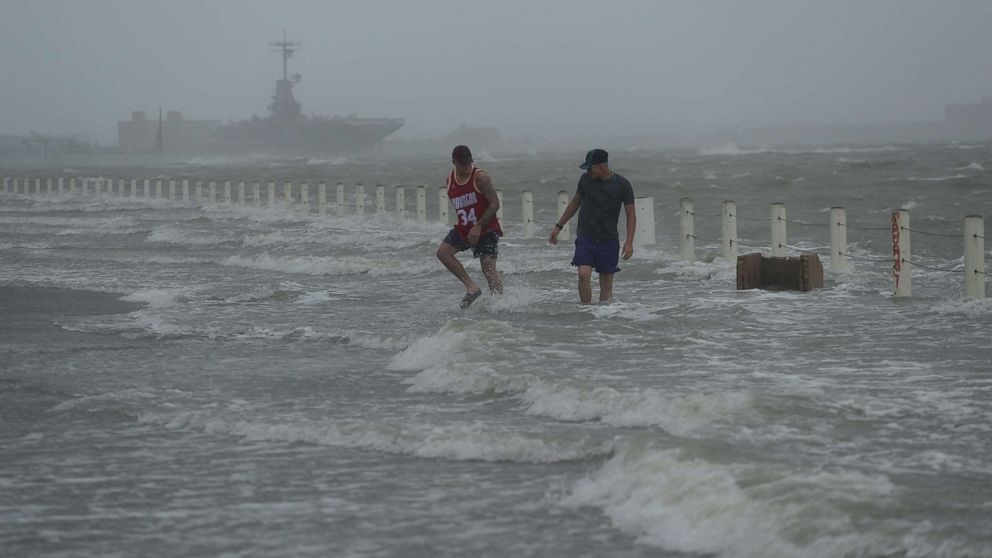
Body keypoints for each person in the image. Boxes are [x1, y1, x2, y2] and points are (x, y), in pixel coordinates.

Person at [549, 148, 635, 304]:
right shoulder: (585, 180)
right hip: (586, 236)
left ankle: (603, 317)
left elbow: (631, 215)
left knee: (607, 284)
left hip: (608, 239)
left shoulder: (623, 185)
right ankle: (586, 310)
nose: (588, 171)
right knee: (583, 274)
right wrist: (559, 225)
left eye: (591, 167)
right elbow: (575, 203)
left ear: (602, 165)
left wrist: (629, 242)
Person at [436, 145, 503, 308]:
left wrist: (479, 225)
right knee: (443, 253)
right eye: (463, 164)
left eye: (469, 162)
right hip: (464, 228)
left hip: (486, 228)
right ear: (454, 162)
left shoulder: (480, 177)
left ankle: (500, 302)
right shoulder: (450, 180)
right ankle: (472, 287)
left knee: (488, 266)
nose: (467, 167)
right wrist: (469, 226)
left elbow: (495, 204)